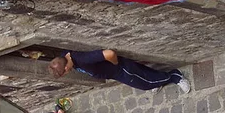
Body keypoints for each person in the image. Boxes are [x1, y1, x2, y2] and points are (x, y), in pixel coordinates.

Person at [49, 49, 190, 93]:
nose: (67, 73)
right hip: (116, 74)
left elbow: (109, 53)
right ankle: (157, 81)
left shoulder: (82, 59)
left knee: (145, 84)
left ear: (66, 68)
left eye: (65, 73)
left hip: (121, 70)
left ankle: (174, 76)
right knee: (144, 74)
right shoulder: (65, 57)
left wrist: (116, 64)